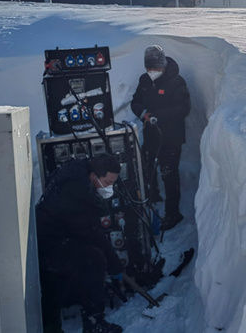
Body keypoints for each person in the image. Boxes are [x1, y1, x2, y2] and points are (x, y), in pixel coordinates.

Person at [36, 154, 124, 333]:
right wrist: (115, 266)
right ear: (94, 176)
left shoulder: (79, 175)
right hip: (49, 245)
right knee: (94, 259)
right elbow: (92, 234)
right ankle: (94, 323)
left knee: (84, 258)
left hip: (56, 237)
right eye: (107, 183)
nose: (109, 188)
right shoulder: (75, 192)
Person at [131, 45, 191, 231]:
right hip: (151, 136)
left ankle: (173, 214)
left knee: (169, 174)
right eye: (149, 68)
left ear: (163, 66)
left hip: (171, 137)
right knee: (147, 168)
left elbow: (183, 108)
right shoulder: (145, 81)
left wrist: (158, 115)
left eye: (155, 68)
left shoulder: (176, 82)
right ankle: (152, 198)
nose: (151, 72)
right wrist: (143, 113)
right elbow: (136, 102)